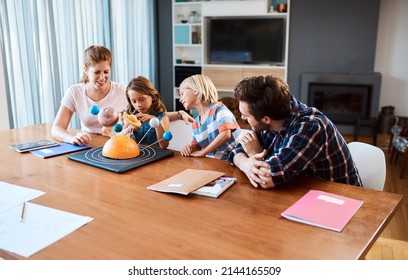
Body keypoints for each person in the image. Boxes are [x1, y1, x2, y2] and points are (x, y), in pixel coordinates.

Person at [228, 75, 362, 189]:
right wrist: (246, 163)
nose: (242, 118)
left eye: (246, 115)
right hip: (301, 189)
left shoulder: (311, 127)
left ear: (266, 119)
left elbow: (267, 178)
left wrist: (254, 154)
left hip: (339, 198)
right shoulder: (269, 114)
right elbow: (236, 150)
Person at [52, 45, 127, 146]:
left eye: (106, 72)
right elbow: (57, 128)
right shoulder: (75, 92)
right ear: (85, 70)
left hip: (118, 146)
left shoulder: (122, 90)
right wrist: (72, 138)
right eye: (96, 72)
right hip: (89, 146)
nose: (102, 78)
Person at [178, 74, 241, 160]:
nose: (180, 99)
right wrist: (189, 149)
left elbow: (225, 134)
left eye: (182, 93)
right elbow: (196, 148)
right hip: (215, 163)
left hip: (235, 161)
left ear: (195, 90)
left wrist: (203, 152)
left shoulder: (219, 109)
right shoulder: (195, 124)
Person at [120, 76, 170, 149]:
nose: (138, 105)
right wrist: (129, 129)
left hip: (156, 156)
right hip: (137, 154)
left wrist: (156, 122)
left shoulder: (162, 118)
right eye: (134, 101)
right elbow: (120, 139)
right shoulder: (133, 117)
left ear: (152, 96)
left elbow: (164, 145)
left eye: (142, 99)